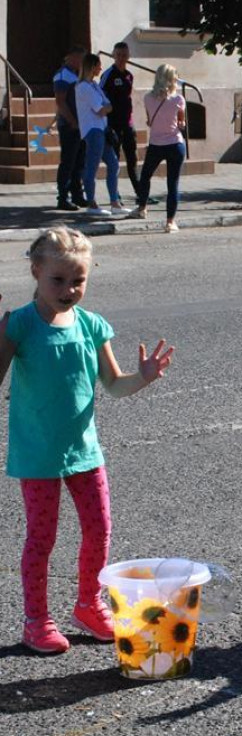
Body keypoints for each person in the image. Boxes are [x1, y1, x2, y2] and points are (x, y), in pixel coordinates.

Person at [0, 227, 174, 654]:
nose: (68, 289)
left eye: (78, 280)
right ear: (36, 272)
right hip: (39, 454)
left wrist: (143, 379)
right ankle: (36, 620)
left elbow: (113, 385)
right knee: (42, 538)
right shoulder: (19, 325)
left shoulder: (93, 325)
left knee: (98, 530)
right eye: (57, 280)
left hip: (85, 451)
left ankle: (88, 604)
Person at [129, 64, 187, 233]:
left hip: (156, 144)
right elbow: (181, 124)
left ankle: (142, 208)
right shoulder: (178, 100)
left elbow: (149, 120)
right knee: (172, 183)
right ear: (171, 79)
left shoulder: (147, 98)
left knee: (146, 175)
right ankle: (170, 222)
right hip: (175, 144)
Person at [74, 53, 125, 217]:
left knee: (114, 163)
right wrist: (106, 108)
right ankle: (92, 203)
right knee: (92, 166)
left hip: (102, 129)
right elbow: (102, 108)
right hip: (92, 130)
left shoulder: (94, 85)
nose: (100, 68)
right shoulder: (83, 87)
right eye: (98, 65)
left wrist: (107, 107)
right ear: (91, 66)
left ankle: (114, 202)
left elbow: (108, 104)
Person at [100, 42, 141, 203]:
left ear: (128, 56)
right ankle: (114, 194)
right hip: (113, 124)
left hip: (128, 123)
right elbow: (100, 94)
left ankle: (140, 192)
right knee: (114, 160)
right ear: (113, 55)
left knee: (133, 159)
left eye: (124, 55)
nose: (121, 58)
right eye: (118, 55)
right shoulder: (108, 75)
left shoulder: (129, 75)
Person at [53, 46, 87, 211]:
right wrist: (72, 121)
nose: (82, 62)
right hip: (69, 126)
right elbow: (60, 102)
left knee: (79, 162)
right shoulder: (63, 75)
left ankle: (77, 195)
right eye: (80, 59)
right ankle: (63, 197)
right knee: (68, 162)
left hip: (81, 125)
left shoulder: (77, 75)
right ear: (71, 57)